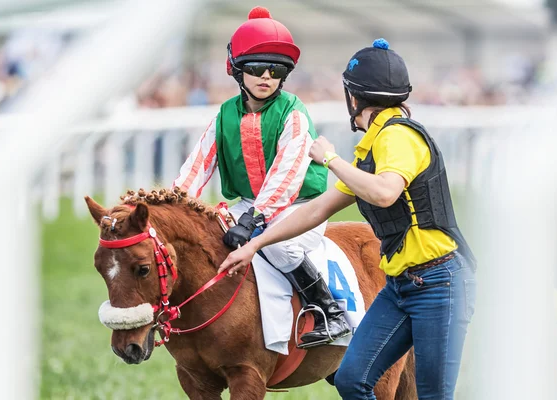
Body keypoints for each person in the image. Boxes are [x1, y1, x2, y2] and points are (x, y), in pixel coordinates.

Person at [219, 38, 477, 399]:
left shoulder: (398, 136)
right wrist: (256, 244)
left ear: (353, 98)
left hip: (439, 283)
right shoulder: (374, 146)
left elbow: (385, 192)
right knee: (351, 379)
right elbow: (316, 209)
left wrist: (330, 159)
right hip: (400, 286)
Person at [172, 6, 351, 348]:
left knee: (280, 245)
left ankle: (330, 312)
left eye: (276, 69)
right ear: (238, 72)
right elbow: (196, 167)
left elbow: (286, 177)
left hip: (300, 208)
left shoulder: (294, 114)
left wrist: (254, 220)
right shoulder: (225, 115)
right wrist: (172, 206)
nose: (266, 76)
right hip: (250, 206)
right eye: (256, 68)